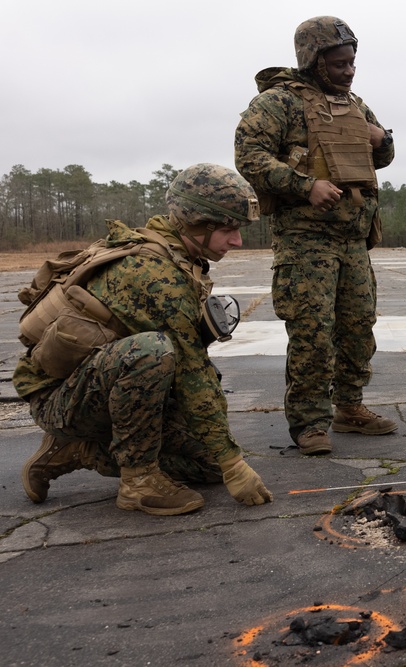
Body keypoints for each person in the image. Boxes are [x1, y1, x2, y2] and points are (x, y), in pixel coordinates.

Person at [13, 163, 273, 515]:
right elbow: (193, 374)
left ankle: (79, 450)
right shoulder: (154, 274)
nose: (237, 241)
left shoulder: (177, 256)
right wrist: (235, 463)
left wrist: (223, 460)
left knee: (209, 466)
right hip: (59, 400)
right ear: (197, 224)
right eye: (228, 229)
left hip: (95, 388)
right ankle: (138, 480)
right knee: (151, 352)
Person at [234, 15, 397, 456]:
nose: (349, 71)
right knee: (312, 334)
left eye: (352, 63)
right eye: (339, 63)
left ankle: (350, 408)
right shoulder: (278, 103)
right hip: (306, 243)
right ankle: (308, 423)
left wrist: (380, 138)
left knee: (358, 329)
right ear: (313, 59)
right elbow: (249, 158)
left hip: (353, 240)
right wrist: (306, 186)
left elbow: (384, 156)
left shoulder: (356, 104)